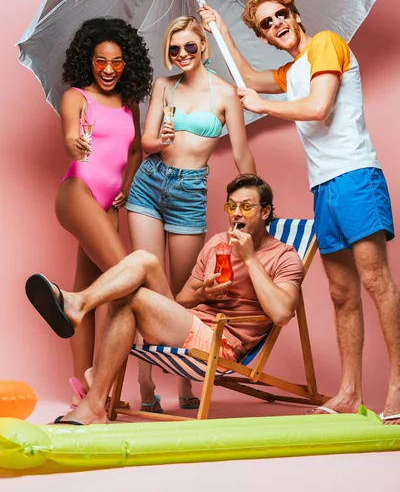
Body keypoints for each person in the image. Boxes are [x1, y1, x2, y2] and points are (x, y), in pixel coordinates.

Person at [198, 0, 400, 425]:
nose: (277, 25)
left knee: (375, 281)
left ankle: (399, 389)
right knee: (341, 293)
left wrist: (263, 105)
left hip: (355, 177)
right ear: (266, 37)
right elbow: (249, 77)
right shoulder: (292, 71)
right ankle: (349, 393)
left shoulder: (326, 43)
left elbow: (318, 106)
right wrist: (221, 31)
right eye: (267, 24)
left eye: (281, 15)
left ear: (295, 13)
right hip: (324, 187)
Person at [25, 174, 304, 425]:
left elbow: (281, 314)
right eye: (231, 206)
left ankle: (93, 394)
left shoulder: (285, 256)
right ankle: (79, 306)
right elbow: (181, 299)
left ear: (265, 212)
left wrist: (249, 258)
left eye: (246, 206)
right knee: (145, 259)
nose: (236, 213)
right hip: (188, 323)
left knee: (127, 299)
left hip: (221, 345)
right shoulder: (217, 244)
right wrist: (203, 293)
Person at [125, 16, 256, 412]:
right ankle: (146, 381)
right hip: (150, 182)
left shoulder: (227, 94)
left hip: (188, 192)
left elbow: (240, 153)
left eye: (189, 47)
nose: (181, 54)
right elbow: (146, 140)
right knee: (145, 279)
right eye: (174, 49)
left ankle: (185, 380)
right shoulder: (165, 86)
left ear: (204, 46)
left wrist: (255, 199)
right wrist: (159, 138)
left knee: (186, 290)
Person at [56, 17, 153, 406]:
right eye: (100, 61)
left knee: (93, 294)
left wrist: (126, 188)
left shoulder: (130, 103)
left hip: (109, 205)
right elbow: (68, 134)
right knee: (127, 279)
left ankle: (84, 388)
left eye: (116, 61)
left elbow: (133, 152)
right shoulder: (77, 97)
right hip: (77, 194)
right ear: (89, 61)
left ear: (127, 62)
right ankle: (99, 383)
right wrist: (74, 144)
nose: (109, 69)